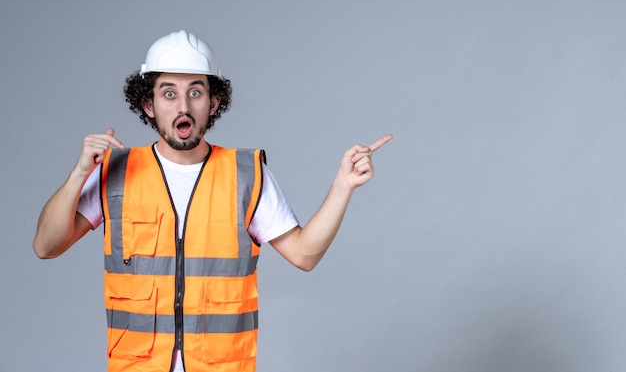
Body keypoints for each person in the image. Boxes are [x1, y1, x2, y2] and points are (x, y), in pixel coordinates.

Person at [33, 30, 392, 372]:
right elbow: (46, 246)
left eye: (196, 92)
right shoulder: (116, 172)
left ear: (213, 102)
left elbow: (304, 254)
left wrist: (342, 186)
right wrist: (79, 174)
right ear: (149, 104)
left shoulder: (246, 175)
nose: (183, 106)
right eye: (169, 93)